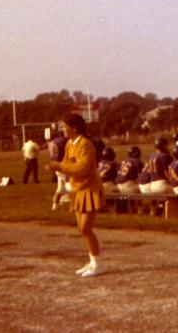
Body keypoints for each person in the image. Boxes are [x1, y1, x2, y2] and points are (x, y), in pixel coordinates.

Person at [46, 113, 104, 277]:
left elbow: (82, 168)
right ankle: (92, 261)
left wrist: (58, 166)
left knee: (86, 228)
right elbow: (66, 163)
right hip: (78, 189)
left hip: (90, 189)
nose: (62, 130)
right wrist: (58, 166)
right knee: (82, 229)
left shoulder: (85, 144)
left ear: (74, 128)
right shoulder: (70, 144)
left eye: (64, 127)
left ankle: (98, 264)